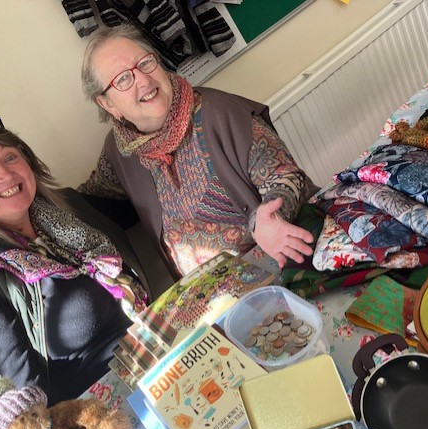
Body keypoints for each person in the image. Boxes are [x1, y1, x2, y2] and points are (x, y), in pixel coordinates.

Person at [0, 117, 148, 405]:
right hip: (101, 409)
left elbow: (140, 201)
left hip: (155, 352)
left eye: (10, 157)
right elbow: (21, 398)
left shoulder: (68, 207)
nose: (5, 174)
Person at [79, 24, 319, 279]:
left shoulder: (220, 112)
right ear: (107, 104)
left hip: (282, 264)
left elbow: (285, 175)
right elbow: (91, 199)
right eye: (123, 78)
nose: (143, 79)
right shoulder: (119, 152)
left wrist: (270, 217)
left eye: (145, 63)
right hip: (210, 297)